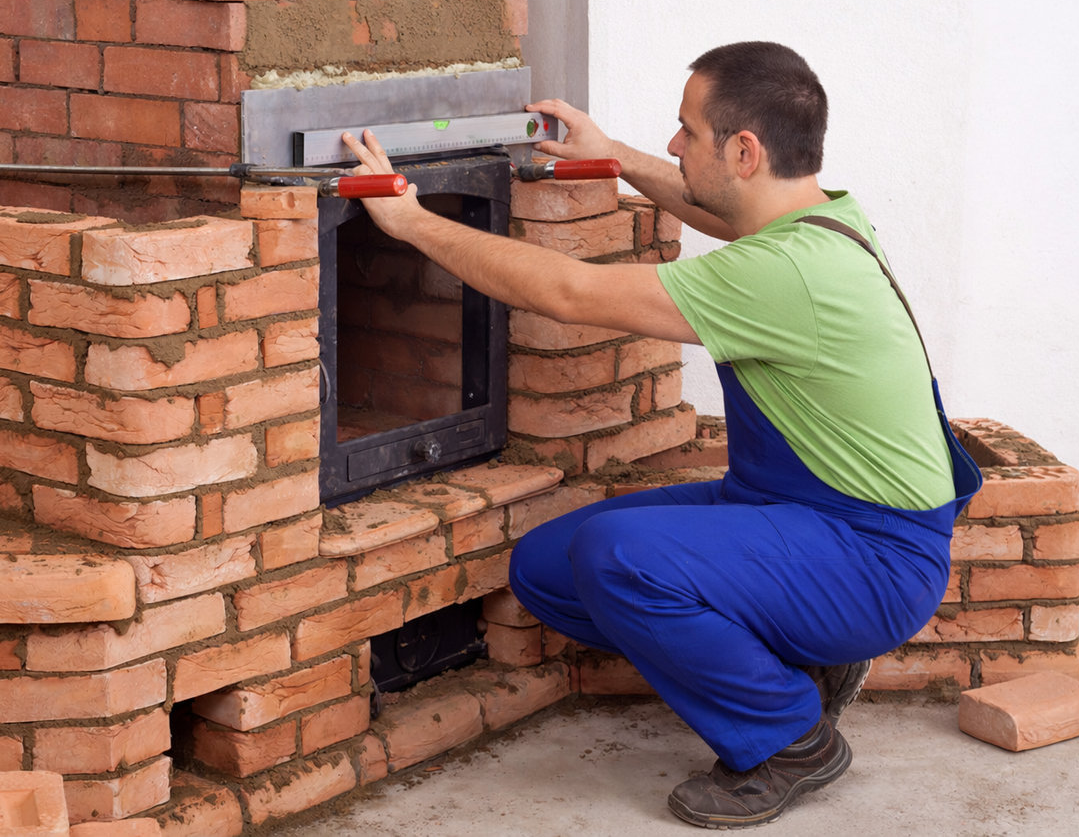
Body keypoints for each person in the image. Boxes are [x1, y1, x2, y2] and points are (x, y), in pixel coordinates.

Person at [341, 41, 980, 830]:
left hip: (873, 555)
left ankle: (790, 738)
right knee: (547, 568)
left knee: (621, 561)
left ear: (744, 151)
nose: (674, 145)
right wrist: (612, 157)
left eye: (687, 130)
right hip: (791, 509)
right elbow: (718, 209)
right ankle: (798, 654)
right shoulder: (818, 219)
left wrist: (412, 223)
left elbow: (571, 291)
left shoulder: (788, 274)